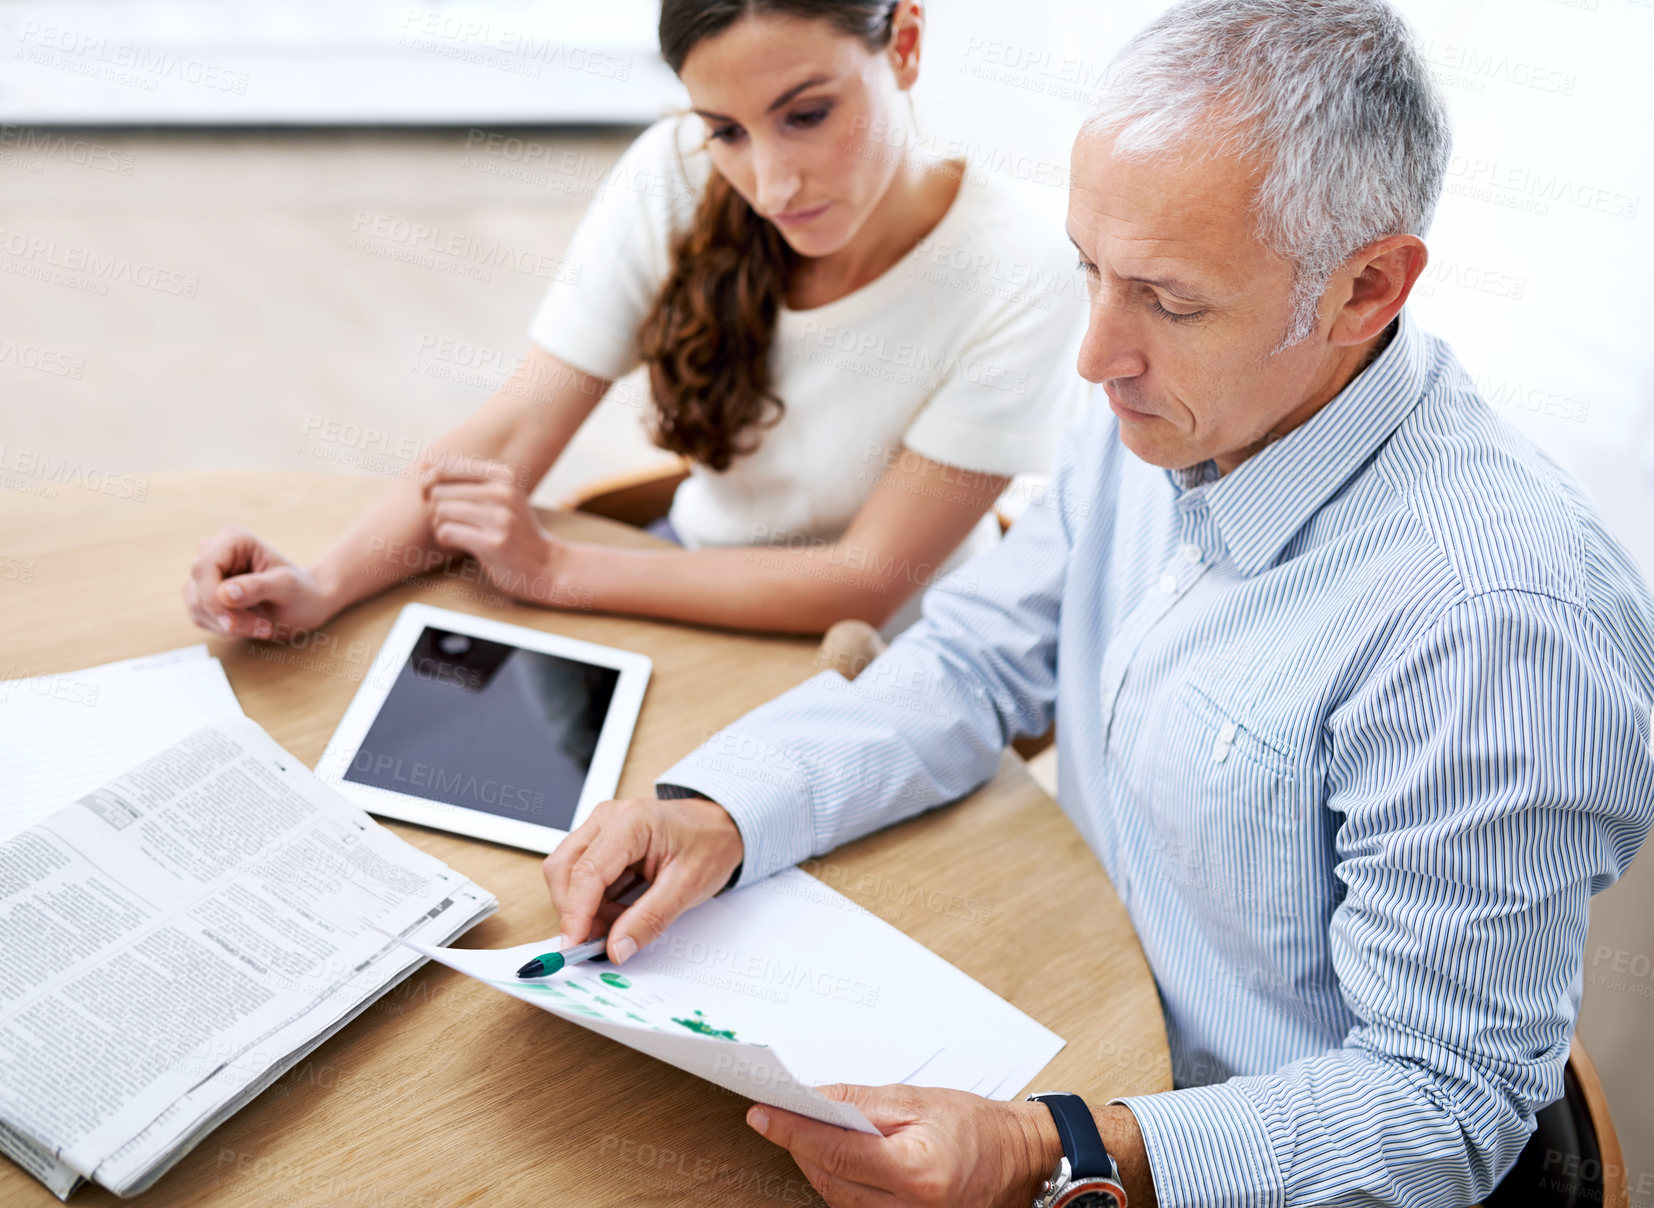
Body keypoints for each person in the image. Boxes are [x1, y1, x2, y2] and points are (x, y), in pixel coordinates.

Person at [539, 1, 1654, 1205]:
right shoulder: (1163, 403)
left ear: (1366, 287)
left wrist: (1054, 1147)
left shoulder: (1496, 623)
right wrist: (723, 807)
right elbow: (974, 660)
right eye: (1089, 271)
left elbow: (1439, 1102)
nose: (1094, 352)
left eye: (1169, 301)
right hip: (1077, 1010)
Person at [181, 0, 1087, 642]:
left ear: (907, 43)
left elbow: (863, 583)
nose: (771, 186)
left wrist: (557, 570)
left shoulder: (1023, 262)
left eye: (807, 115)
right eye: (727, 129)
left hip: (901, 647)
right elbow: (514, 426)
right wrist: (319, 585)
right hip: (686, 572)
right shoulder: (672, 173)